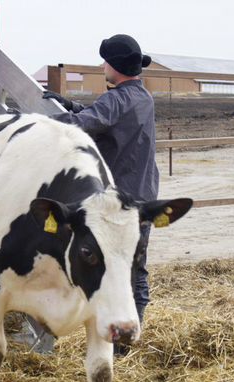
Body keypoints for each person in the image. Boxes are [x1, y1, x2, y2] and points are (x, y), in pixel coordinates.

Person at [43, 34, 159, 349]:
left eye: (105, 61)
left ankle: (123, 340)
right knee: (136, 261)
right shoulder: (140, 97)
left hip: (122, 197)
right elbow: (103, 116)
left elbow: (83, 123)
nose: (102, 66)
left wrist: (39, 121)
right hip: (144, 193)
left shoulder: (117, 100)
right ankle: (130, 331)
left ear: (115, 67)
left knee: (122, 267)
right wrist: (68, 103)